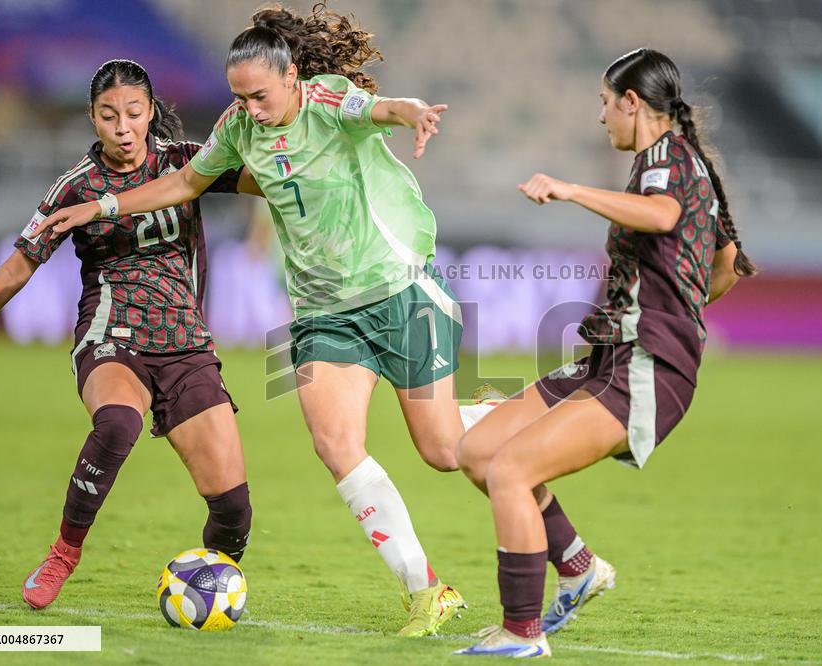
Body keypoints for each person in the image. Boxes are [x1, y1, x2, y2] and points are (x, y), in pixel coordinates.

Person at [31, 3, 496, 637]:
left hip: (397, 291)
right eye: (238, 97)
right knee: (335, 445)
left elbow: (379, 109)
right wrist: (105, 206)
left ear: (294, 78)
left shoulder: (330, 99)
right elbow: (184, 185)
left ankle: (506, 413)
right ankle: (427, 591)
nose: (249, 109)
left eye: (259, 95)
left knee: (443, 450)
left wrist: (411, 110)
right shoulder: (238, 127)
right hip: (322, 312)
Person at [453, 48, 757, 658]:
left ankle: (521, 634)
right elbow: (726, 265)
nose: (601, 117)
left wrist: (569, 190)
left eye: (604, 102)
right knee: (480, 450)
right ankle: (578, 567)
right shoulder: (677, 162)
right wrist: (684, 304)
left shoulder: (666, 162)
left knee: (512, 471)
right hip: (611, 355)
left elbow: (662, 215)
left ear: (632, 102)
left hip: (646, 366)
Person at [0, 59, 261, 611]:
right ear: (93, 117)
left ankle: (207, 593)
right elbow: (20, 264)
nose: (123, 126)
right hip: (112, 334)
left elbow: (267, 181)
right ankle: (64, 553)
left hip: (186, 345)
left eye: (134, 113)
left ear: (151, 113)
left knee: (233, 514)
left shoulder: (187, 164)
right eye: (109, 115)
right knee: (116, 423)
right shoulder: (75, 187)